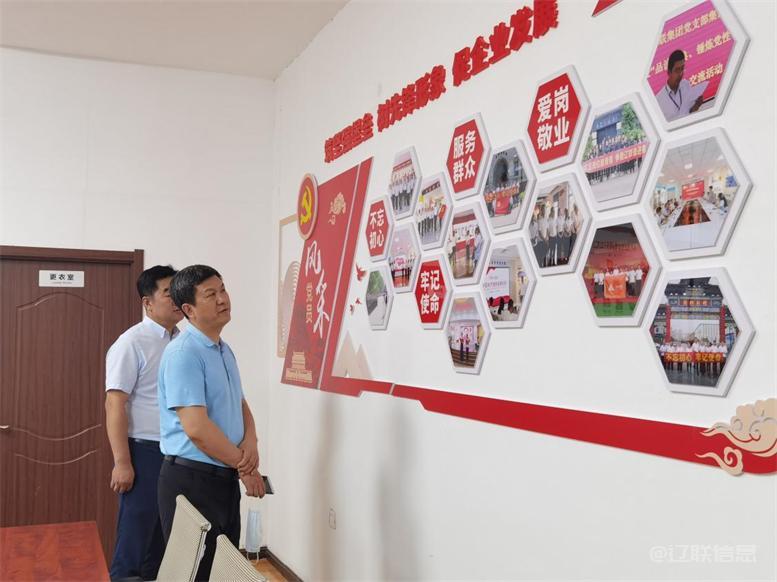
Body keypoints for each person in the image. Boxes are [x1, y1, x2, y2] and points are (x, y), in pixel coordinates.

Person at [157, 265, 265, 581]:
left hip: (224, 478)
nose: (222, 299)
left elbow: (240, 403)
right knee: (198, 573)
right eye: (210, 294)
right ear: (188, 309)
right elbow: (197, 429)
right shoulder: (183, 353)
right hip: (192, 479)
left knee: (224, 570)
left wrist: (251, 442)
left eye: (222, 290)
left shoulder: (223, 349)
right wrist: (245, 466)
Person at [105, 265, 183, 581]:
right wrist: (122, 463)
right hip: (144, 452)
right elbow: (114, 403)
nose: (177, 298)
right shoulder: (131, 342)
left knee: (164, 538)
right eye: (168, 292)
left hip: (178, 452)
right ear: (147, 302)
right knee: (135, 536)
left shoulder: (182, 341)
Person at [655, 49, 704, 122]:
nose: (681, 73)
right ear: (669, 72)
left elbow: (689, 112)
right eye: (677, 70)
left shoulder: (686, 85)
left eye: (682, 68)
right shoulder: (659, 100)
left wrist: (696, 106)